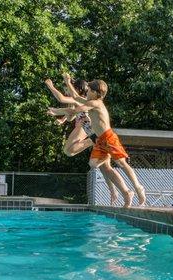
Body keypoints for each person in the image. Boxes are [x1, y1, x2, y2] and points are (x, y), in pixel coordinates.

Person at [49, 74, 146, 207]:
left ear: (94, 93)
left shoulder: (95, 103)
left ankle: (138, 187)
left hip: (108, 138)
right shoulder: (91, 101)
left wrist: (57, 110)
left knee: (122, 163)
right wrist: (67, 82)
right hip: (100, 141)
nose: (86, 93)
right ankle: (123, 192)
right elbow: (76, 97)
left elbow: (77, 109)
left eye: (88, 91)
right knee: (94, 163)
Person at [44, 78, 119, 204]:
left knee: (68, 150)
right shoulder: (78, 101)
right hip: (91, 130)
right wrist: (62, 120)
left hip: (87, 128)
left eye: (67, 88)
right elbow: (71, 115)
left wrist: (51, 86)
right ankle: (113, 191)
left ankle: (92, 141)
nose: (66, 90)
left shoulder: (81, 98)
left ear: (78, 89)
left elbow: (61, 99)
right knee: (104, 167)